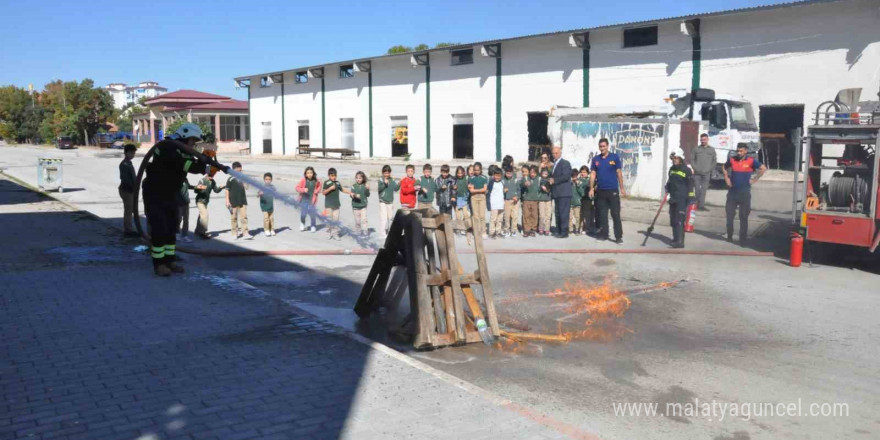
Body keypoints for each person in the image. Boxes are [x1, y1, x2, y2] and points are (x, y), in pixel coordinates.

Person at [141, 123, 213, 276]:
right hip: (155, 192)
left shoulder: (181, 149)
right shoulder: (167, 147)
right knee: (159, 228)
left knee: (172, 227)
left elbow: (190, 163)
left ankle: (170, 260)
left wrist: (206, 161)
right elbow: (183, 164)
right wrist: (201, 165)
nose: (194, 144)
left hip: (170, 193)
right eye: (193, 140)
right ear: (185, 136)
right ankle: (159, 265)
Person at [723, 143, 766, 246]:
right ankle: (729, 235)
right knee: (729, 215)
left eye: (741, 151)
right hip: (732, 193)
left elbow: (763, 168)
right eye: (738, 150)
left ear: (745, 151)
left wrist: (755, 179)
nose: (739, 153)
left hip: (745, 193)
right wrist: (727, 179)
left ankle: (743, 239)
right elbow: (724, 167)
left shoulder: (751, 161)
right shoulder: (732, 159)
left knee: (743, 217)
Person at [590, 138, 626, 244]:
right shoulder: (596, 159)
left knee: (615, 214)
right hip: (601, 191)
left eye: (604, 146)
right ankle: (604, 235)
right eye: (600, 146)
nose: (602, 148)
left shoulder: (614, 157)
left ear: (607, 146)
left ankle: (618, 237)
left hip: (612, 191)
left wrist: (622, 188)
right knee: (602, 215)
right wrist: (591, 188)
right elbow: (592, 174)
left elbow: (619, 172)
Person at [666, 154, 694, 248]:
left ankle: (680, 241)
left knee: (680, 220)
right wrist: (667, 187)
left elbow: (690, 185)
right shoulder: (671, 169)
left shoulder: (686, 170)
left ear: (681, 159)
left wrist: (691, 197)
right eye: (673, 158)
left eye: (676, 158)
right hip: (673, 198)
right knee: (673, 219)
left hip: (682, 198)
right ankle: (675, 238)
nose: (674, 160)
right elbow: (670, 181)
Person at [548, 146, 572, 238]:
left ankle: (564, 232)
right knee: (557, 212)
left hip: (564, 193)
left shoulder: (565, 163)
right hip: (557, 193)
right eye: (553, 153)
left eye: (556, 153)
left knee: (563, 213)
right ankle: (558, 230)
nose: (555, 155)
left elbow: (566, 176)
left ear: (560, 153)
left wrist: (554, 180)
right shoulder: (555, 164)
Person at [688, 133, 716, 211]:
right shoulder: (696, 149)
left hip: (706, 173)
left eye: (704, 139)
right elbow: (692, 159)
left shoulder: (712, 149)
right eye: (702, 139)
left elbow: (714, 161)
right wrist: (695, 168)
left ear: (707, 140)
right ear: (700, 140)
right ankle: (696, 205)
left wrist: (709, 169)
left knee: (703, 190)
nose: (703, 141)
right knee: (697, 189)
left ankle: (701, 206)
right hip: (697, 173)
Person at [193, 173, 224, 239]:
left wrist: (221, 188)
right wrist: (199, 188)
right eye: (210, 175)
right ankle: (203, 233)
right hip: (200, 200)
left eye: (213, 175)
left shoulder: (213, 181)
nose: (212, 177)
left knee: (201, 216)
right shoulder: (202, 180)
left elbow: (216, 190)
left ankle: (197, 230)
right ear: (207, 174)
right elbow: (196, 191)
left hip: (206, 201)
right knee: (205, 215)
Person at [226, 162, 251, 240]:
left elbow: (247, 187)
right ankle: (234, 233)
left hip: (242, 201)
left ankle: (245, 233)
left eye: (240, 171)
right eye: (238, 171)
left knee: (244, 217)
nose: (239, 172)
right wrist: (227, 201)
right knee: (234, 218)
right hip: (233, 201)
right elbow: (227, 190)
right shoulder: (230, 179)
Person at [118, 143, 138, 237]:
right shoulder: (124, 164)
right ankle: (128, 230)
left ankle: (129, 228)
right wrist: (133, 187)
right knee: (128, 210)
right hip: (126, 190)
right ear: (126, 153)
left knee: (131, 210)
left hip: (131, 190)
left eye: (134, 153)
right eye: (131, 153)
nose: (133, 155)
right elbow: (125, 179)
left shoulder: (129, 163)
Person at [295, 166, 321, 232]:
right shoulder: (303, 180)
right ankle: (302, 224)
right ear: (305, 174)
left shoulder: (316, 180)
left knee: (312, 214)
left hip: (312, 200)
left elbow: (320, 186)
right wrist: (303, 189)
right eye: (308, 173)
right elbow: (297, 188)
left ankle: (313, 226)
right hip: (304, 200)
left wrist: (317, 191)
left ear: (313, 173)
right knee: (303, 214)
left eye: (311, 172)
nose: (309, 174)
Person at [468, 162, 489, 238]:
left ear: (481, 170)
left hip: (482, 198)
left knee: (482, 216)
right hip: (474, 198)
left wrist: (477, 190)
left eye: (478, 170)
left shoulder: (484, 178)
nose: (476, 172)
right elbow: (471, 191)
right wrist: (480, 190)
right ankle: (477, 231)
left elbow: (485, 189)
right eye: (475, 170)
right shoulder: (471, 178)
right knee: (476, 216)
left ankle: (483, 231)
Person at [346, 171, 370, 236]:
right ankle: (358, 233)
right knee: (357, 221)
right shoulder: (354, 186)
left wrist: (367, 189)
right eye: (357, 178)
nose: (358, 179)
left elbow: (368, 195)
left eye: (360, 178)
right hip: (355, 206)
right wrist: (354, 195)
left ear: (363, 178)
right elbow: (351, 195)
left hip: (363, 206)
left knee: (364, 220)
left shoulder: (365, 186)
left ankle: (365, 232)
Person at [377, 165, 398, 235]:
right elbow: (379, 189)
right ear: (383, 173)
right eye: (385, 173)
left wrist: (399, 183)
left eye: (388, 173)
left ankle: (388, 231)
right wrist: (384, 184)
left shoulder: (392, 180)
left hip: (390, 201)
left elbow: (396, 189)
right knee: (384, 218)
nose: (387, 174)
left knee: (390, 217)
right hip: (382, 201)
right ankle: (382, 233)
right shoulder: (380, 179)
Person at [322, 168, 343, 241]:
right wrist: (330, 188)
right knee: (329, 219)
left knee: (336, 220)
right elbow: (323, 192)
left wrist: (351, 193)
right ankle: (328, 232)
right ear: (329, 176)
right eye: (332, 175)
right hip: (328, 205)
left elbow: (342, 189)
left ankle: (335, 234)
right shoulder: (326, 183)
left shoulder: (337, 183)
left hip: (336, 205)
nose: (334, 177)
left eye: (335, 175)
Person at [521, 165, 541, 237]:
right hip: (526, 200)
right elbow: (521, 184)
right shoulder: (526, 178)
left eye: (534, 173)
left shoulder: (539, 179)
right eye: (531, 172)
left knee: (534, 215)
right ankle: (527, 230)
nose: (532, 174)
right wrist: (525, 184)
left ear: (537, 173)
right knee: (526, 215)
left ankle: (533, 229)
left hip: (535, 200)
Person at [486, 168, 505, 239]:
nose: (497, 177)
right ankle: (491, 232)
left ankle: (498, 231)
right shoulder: (491, 182)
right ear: (493, 175)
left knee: (499, 219)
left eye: (499, 176)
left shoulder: (502, 182)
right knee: (493, 219)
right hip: (494, 204)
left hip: (501, 204)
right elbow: (488, 192)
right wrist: (488, 204)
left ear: (501, 176)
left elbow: (502, 192)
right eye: (496, 175)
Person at [501, 166, 519, 237]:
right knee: (506, 216)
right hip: (506, 201)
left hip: (515, 201)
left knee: (515, 216)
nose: (508, 175)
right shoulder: (502, 180)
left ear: (512, 173)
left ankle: (514, 230)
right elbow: (499, 190)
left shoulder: (516, 180)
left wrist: (517, 196)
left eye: (510, 173)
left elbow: (519, 190)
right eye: (507, 173)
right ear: (505, 173)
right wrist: (503, 191)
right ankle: (507, 230)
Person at [577, 165, 594, 235]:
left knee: (587, 214)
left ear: (587, 173)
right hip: (580, 199)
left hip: (587, 199)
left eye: (584, 172)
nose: (582, 174)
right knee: (580, 214)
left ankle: (587, 228)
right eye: (581, 172)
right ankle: (580, 227)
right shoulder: (578, 180)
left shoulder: (589, 180)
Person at [453, 166, 470, 236]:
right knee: (458, 215)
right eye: (458, 173)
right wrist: (453, 187)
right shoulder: (455, 180)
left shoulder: (466, 178)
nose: (460, 175)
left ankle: (464, 228)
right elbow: (452, 187)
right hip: (457, 199)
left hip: (464, 198)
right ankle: (458, 228)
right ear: (456, 173)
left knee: (466, 214)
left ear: (464, 173)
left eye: (461, 173)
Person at [258, 172, 276, 236]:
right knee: (266, 218)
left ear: (271, 180)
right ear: (264, 180)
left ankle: (272, 229)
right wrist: (260, 193)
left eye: (269, 179)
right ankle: (266, 230)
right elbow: (258, 194)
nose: (268, 181)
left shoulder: (272, 187)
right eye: (266, 179)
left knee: (271, 219)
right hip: (264, 206)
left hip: (271, 206)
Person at [537, 168, 552, 236]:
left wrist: (549, 185)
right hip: (541, 199)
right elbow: (538, 189)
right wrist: (541, 187)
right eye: (543, 173)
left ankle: (547, 229)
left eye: (546, 174)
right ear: (541, 174)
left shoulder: (550, 180)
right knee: (541, 215)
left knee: (548, 216)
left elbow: (551, 188)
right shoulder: (539, 180)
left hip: (548, 200)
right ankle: (541, 228)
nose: (545, 175)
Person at [570, 169, 584, 235]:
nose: (574, 178)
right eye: (573, 176)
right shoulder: (569, 183)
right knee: (570, 217)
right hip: (570, 203)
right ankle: (570, 229)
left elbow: (582, 193)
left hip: (577, 203)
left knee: (577, 217)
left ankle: (577, 229)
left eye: (576, 176)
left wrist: (578, 185)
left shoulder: (580, 183)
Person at [517, 164, 530, 234]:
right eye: (523, 172)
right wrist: (524, 184)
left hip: (531, 199)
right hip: (524, 199)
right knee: (525, 214)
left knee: (530, 214)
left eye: (526, 171)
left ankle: (529, 228)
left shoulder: (531, 178)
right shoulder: (521, 180)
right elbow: (521, 185)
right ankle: (524, 228)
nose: (524, 173)